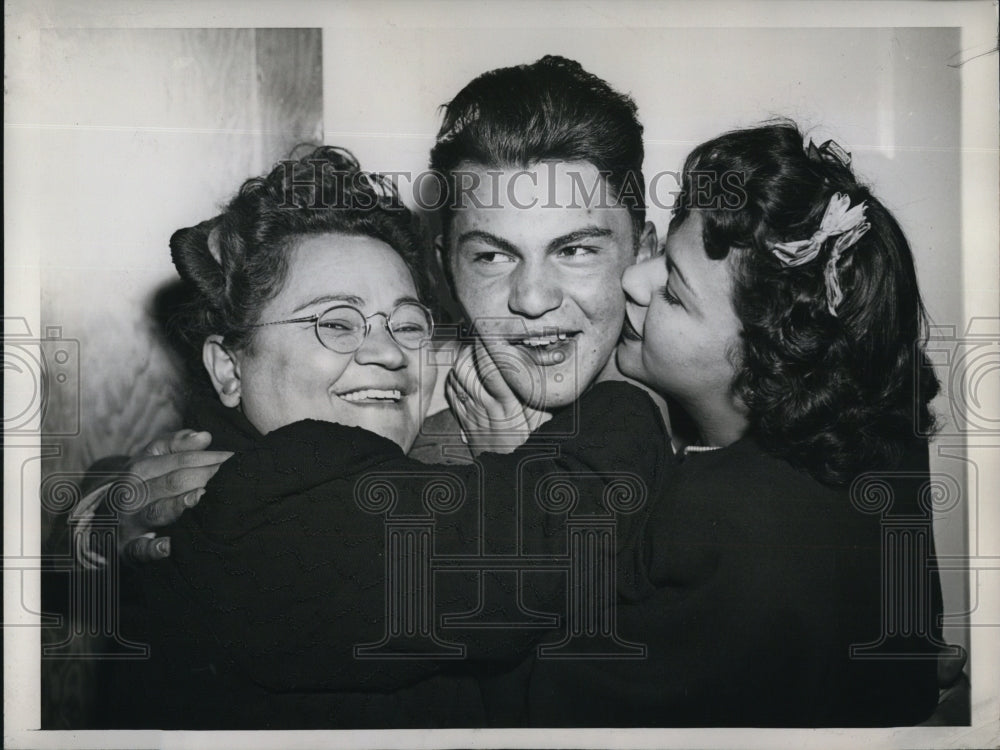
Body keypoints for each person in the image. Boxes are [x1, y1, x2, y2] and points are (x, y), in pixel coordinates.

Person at [110, 144, 668, 729]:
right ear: (228, 369)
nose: (386, 350)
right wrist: (639, 386)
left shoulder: (395, 473)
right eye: (336, 323)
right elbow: (547, 543)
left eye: (406, 324)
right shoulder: (261, 496)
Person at [95, 54, 663, 560]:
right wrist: (99, 518)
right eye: (492, 257)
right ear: (445, 271)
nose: (534, 300)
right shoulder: (409, 389)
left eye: (576, 250)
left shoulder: (716, 400)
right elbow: (197, 465)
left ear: (644, 254)